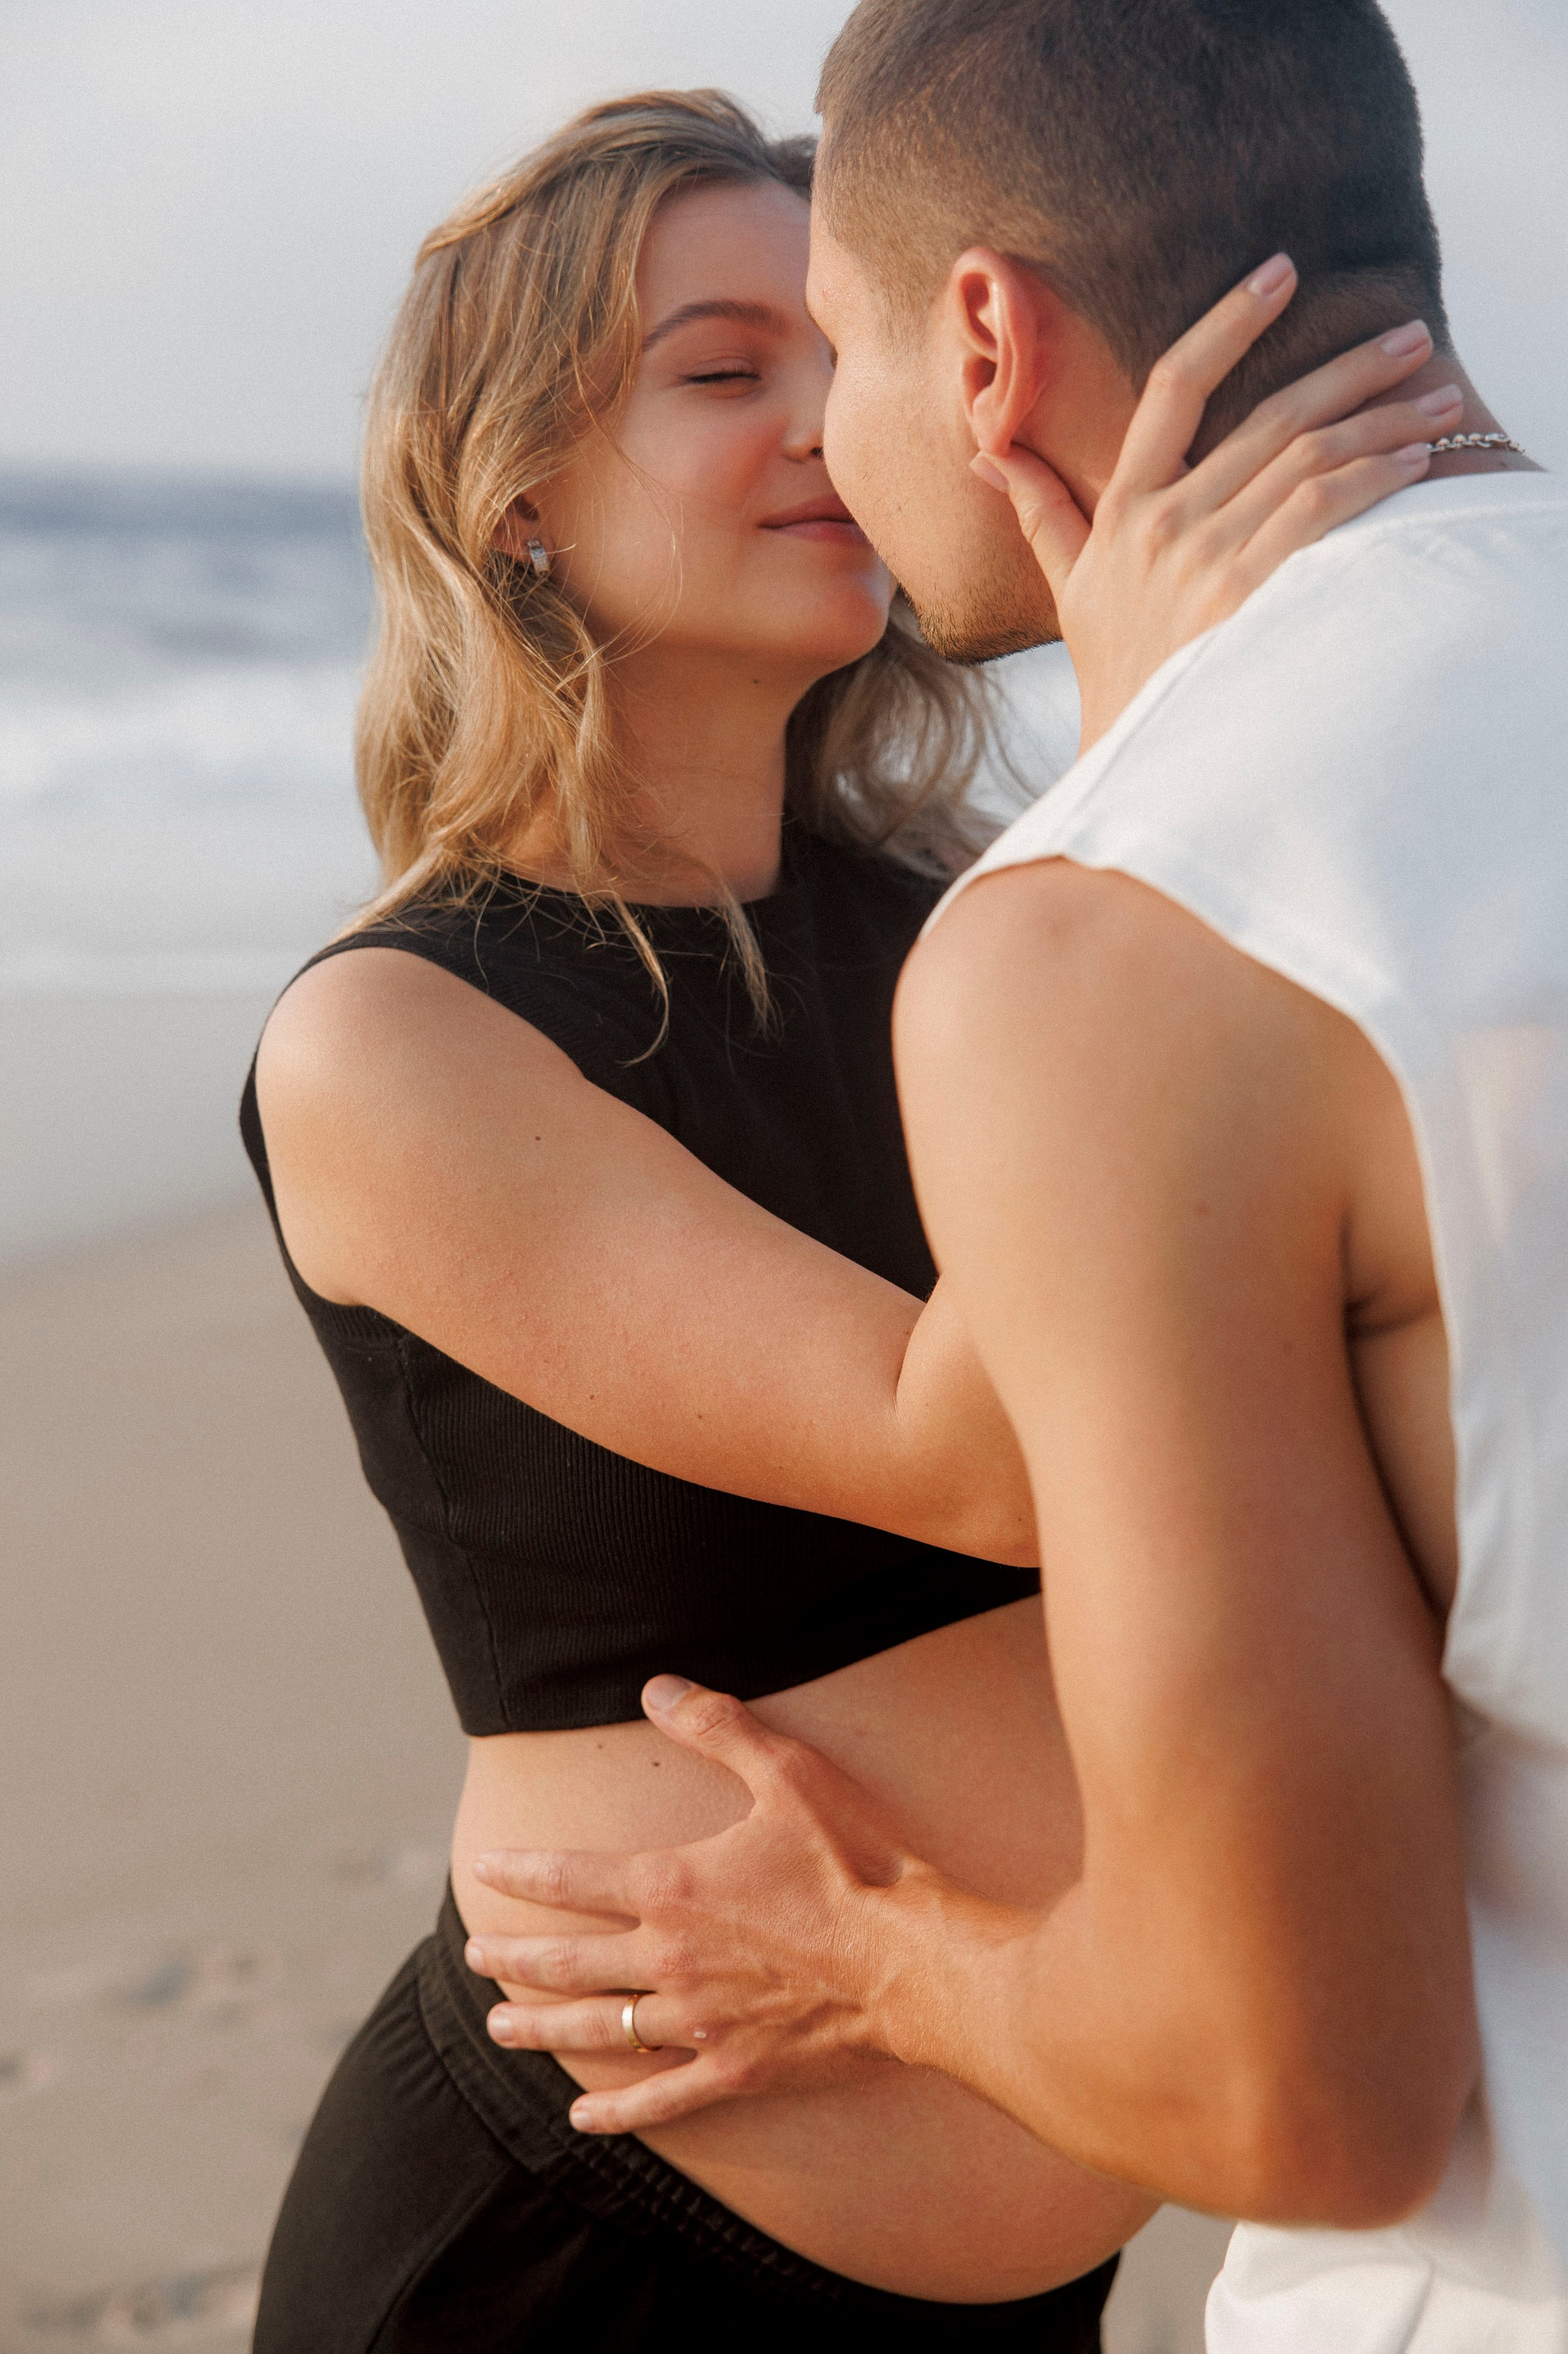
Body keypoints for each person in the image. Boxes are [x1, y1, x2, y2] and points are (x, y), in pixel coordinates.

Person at [230, 82, 1442, 2354]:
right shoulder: (394, 1042)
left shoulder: (980, 932)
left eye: (837, 350)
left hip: (1029, 2260)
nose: (825, 422)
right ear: (509, 495)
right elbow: (971, 1435)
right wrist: (1174, 705)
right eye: (719, 372)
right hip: (581, 2265)